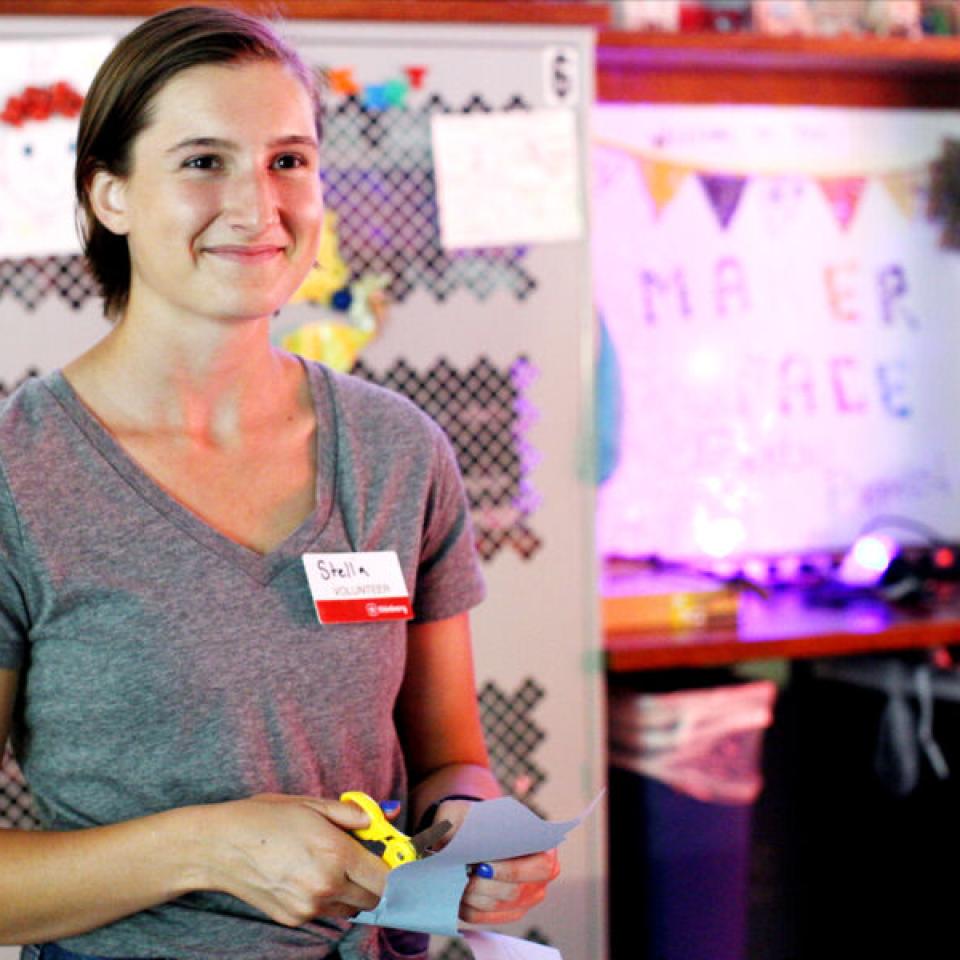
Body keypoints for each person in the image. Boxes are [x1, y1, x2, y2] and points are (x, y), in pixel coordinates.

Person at [0, 7, 559, 959]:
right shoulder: (21, 475)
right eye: (203, 161)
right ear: (110, 196)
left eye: (289, 161)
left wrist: (475, 828)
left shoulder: (397, 451)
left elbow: (451, 758)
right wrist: (208, 848)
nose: (260, 207)